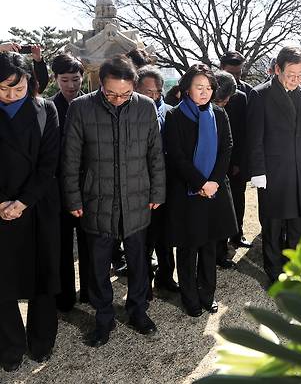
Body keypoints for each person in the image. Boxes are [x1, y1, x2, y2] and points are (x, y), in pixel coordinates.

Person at [61, 55, 165, 347]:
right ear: (99, 84)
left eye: (125, 94)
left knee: (138, 261)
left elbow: (155, 154)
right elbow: (70, 159)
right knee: (97, 265)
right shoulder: (80, 108)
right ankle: (103, 318)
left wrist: (158, 191)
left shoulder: (145, 107)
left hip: (137, 198)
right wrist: (73, 197)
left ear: (133, 87)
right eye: (111, 93)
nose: (118, 99)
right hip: (97, 199)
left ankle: (137, 311)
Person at [0, 52, 60, 371]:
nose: (10, 94)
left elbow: (50, 162)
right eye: (3, 88)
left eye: (17, 86)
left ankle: (42, 341)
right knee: (3, 282)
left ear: (29, 80)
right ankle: (10, 347)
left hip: (38, 206)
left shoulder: (45, 109)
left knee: (43, 276)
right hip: (0, 209)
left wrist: (23, 202)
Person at [164, 64, 237, 317]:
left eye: (208, 87)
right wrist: (200, 183)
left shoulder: (218, 114)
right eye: (199, 87)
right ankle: (190, 297)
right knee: (188, 247)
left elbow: (226, 148)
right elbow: (176, 156)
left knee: (209, 245)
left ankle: (208, 294)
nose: (204, 92)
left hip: (214, 191)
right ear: (187, 89)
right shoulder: (174, 116)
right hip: (187, 192)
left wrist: (214, 181)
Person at [247, 46, 301, 284]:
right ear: (278, 69)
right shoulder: (261, 95)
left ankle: (296, 268)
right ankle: (274, 271)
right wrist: (258, 171)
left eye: (300, 75)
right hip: (273, 173)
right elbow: (254, 137)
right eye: (291, 74)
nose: (296, 79)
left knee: (299, 223)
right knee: (273, 225)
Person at [49, 54, 91, 312]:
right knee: (62, 246)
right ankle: (64, 296)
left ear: (82, 77)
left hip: (89, 186)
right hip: (59, 188)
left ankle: (89, 291)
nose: (71, 85)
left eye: (75, 79)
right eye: (64, 80)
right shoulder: (49, 108)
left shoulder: (92, 103)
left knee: (90, 244)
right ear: (55, 79)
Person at [135, 66, 179, 296]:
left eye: (157, 92)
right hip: (141, 188)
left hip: (167, 185)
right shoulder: (131, 113)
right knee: (144, 239)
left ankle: (166, 276)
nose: (153, 96)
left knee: (165, 237)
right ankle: (143, 284)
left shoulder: (171, 112)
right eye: (147, 91)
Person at [219, 52, 254, 249]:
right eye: (231, 73)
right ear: (221, 68)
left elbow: (247, 131)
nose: (235, 78)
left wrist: (240, 162)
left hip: (238, 158)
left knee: (238, 199)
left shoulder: (246, 93)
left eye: (239, 73)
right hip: (217, 159)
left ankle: (237, 233)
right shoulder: (211, 90)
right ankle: (220, 241)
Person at [212, 70, 246, 269]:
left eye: (224, 101)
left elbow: (235, 140)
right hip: (206, 172)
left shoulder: (235, 103)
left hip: (227, 167)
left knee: (227, 211)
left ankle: (222, 250)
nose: (222, 105)